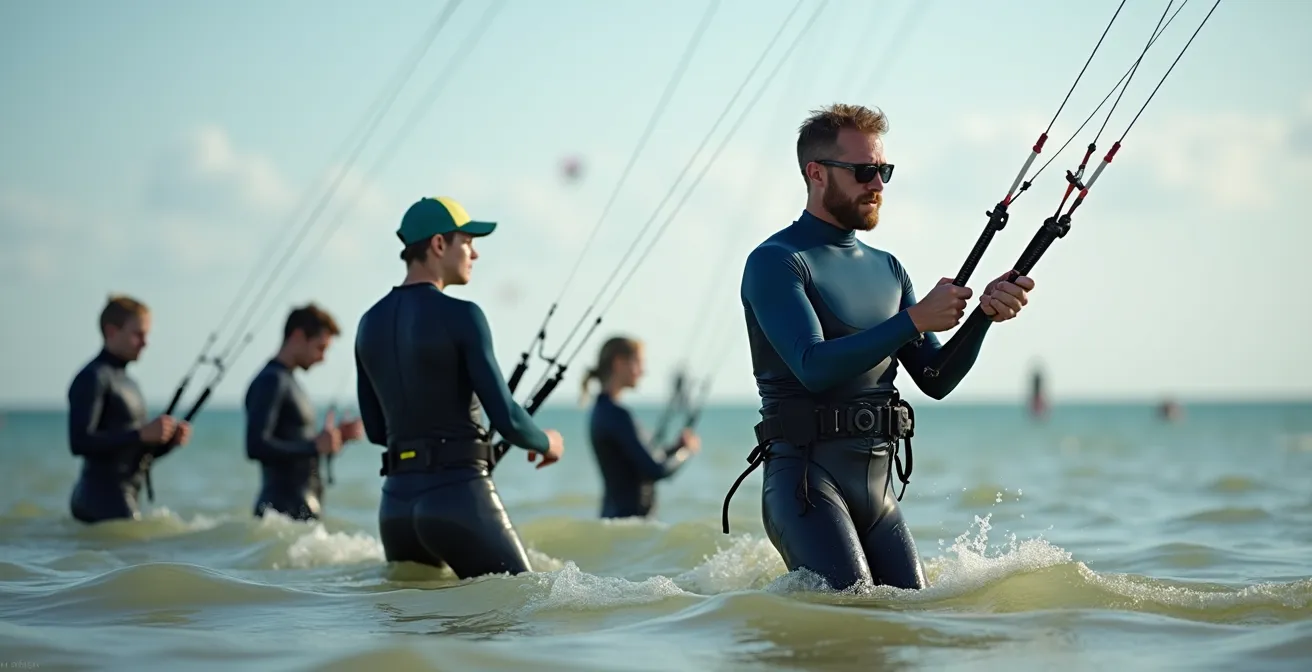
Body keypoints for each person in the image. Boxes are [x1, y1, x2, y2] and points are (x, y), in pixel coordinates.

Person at [721, 104, 1037, 591]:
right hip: (805, 486)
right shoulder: (776, 262)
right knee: (854, 612)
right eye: (864, 172)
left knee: (912, 614)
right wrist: (914, 319)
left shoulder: (889, 269)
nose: (878, 185)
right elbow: (812, 367)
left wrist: (983, 317)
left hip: (878, 493)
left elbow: (935, 378)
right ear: (817, 173)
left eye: (884, 172)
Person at [354, 196, 566, 579]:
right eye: (467, 242)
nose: (475, 253)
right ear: (439, 244)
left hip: (396, 508)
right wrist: (546, 442)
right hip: (460, 499)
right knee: (523, 601)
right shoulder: (463, 315)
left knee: (419, 618)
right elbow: (507, 417)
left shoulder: (368, 324)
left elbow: (375, 431)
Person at [66, 294, 193, 523]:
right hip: (99, 500)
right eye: (138, 334)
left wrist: (167, 443)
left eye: (147, 335)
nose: (145, 343)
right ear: (112, 332)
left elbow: (133, 453)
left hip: (126, 497)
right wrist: (141, 434)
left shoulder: (129, 382)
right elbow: (79, 442)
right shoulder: (93, 377)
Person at [243, 303, 364, 521]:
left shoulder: (290, 382)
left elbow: (296, 440)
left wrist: (338, 437)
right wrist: (314, 446)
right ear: (298, 336)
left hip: (301, 513)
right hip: (280, 513)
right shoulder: (271, 381)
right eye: (320, 348)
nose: (322, 358)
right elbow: (255, 445)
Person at [581, 336, 701, 519]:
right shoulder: (617, 414)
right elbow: (656, 469)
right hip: (627, 524)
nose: (642, 371)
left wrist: (675, 448)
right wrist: (687, 451)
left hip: (613, 518)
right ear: (619, 363)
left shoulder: (601, 411)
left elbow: (641, 460)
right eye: (638, 362)